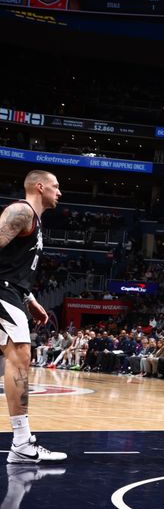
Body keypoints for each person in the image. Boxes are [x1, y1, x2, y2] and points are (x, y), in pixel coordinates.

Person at [0, 170, 66, 463]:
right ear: (40, 187)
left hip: (13, 291)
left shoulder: (35, 223)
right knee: (20, 355)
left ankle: (22, 443)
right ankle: (22, 443)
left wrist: (29, 298)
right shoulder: (21, 211)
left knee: (19, 356)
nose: (60, 192)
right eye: (56, 186)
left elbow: (11, 265)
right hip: (2, 291)